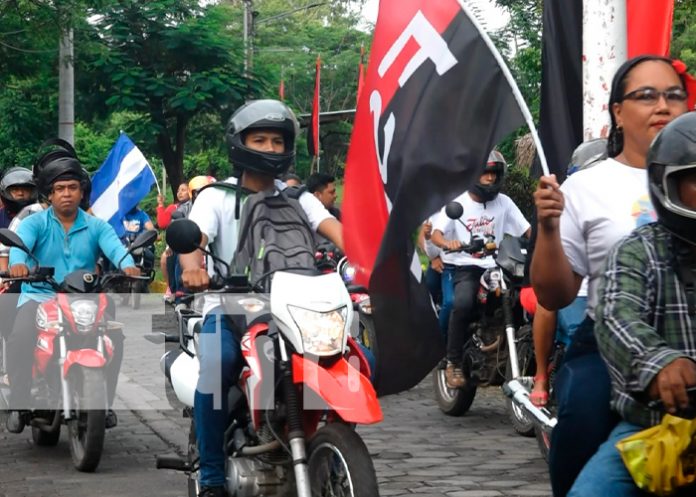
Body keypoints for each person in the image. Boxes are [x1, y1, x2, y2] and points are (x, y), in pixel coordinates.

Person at [531, 55, 690, 497]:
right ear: (618, 111)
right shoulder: (587, 186)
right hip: (610, 337)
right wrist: (547, 227)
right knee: (583, 410)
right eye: (646, 96)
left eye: (673, 95)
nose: (662, 106)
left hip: (689, 329)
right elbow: (555, 294)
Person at [180, 99, 343, 497]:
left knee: (355, 359)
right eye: (260, 139)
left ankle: (333, 448)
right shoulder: (216, 197)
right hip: (230, 306)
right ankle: (213, 478)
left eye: (277, 141)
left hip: (297, 308)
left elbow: (336, 230)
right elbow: (193, 241)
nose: (270, 148)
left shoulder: (299, 198)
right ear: (240, 143)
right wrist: (192, 268)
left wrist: (373, 259)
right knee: (217, 366)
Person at [568, 111, 696, 497]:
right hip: (654, 426)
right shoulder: (639, 249)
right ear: (665, 184)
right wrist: (660, 362)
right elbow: (615, 313)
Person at [4, 156, 140, 433]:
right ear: (50, 194)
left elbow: (114, 247)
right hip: (40, 296)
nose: (67, 194)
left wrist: (128, 265)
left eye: (73, 187)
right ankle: (19, 401)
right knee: (20, 335)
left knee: (115, 335)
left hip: (86, 298)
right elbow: (20, 247)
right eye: (60, 188)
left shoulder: (96, 225)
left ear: (81, 192)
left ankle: (105, 404)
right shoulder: (35, 223)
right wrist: (18, 264)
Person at [430, 151, 530, 388]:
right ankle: (452, 361)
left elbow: (527, 231)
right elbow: (436, 234)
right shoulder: (458, 203)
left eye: (494, 174)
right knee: (461, 303)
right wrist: (448, 244)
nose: (489, 179)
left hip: (498, 265)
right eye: (484, 173)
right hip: (467, 266)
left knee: (522, 299)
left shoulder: (504, 203)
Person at [529, 139, 606, 407]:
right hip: (577, 290)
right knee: (552, 306)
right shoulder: (564, 203)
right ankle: (540, 374)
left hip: (618, 293)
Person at [157, 182, 190, 302]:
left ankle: (182, 293)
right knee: (165, 258)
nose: (180, 193)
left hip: (190, 242)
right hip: (175, 242)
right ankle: (171, 288)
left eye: (183, 190)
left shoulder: (196, 206)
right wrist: (161, 204)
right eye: (178, 190)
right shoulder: (174, 208)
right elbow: (162, 223)